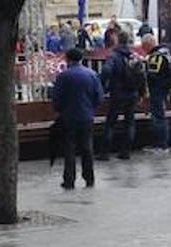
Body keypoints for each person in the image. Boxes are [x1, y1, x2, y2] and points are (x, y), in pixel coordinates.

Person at [52, 47, 104, 189]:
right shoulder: (92, 75)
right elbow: (99, 97)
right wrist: (91, 109)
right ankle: (89, 178)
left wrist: (60, 110)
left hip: (68, 117)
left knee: (69, 149)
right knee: (87, 147)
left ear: (68, 59)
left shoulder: (64, 76)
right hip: (87, 116)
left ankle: (69, 180)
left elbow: (56, 98)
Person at [99, 31, 142, 160]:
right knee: (129, 122)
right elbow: (141, 75)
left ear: (117, 40)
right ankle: (126, 151)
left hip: (117, 93)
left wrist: (103, 85)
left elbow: (106, 70)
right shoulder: (133, 56)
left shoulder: (114, 56)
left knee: (110, 123)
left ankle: (105, 153)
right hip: (132, 93)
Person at [143, 34, 171, 154]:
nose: (143, 49)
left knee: (159, 118)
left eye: (144, 46)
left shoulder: (156, 57)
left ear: (148, 45)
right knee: (160, 117)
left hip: (158, 91)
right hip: (165, 90)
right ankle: (159, 144)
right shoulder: (166, 53)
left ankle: (161, 146)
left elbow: (152, 75)